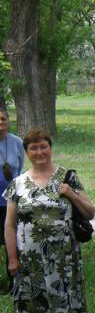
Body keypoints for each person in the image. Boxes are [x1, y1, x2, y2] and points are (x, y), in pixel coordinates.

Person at [3, 129, 93, 313]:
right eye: (34, 148)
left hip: (65, 256)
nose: (39, 152)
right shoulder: (18, 183)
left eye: (43, 146)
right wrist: (12, 257)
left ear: (50, 148)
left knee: (67, 297)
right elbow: (9, 225)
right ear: (27, 152)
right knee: (35, 300)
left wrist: (71, 194)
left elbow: (90, 212)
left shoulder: (67, 177)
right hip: (30, 258)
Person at [0, 109, 25, 289]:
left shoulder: (17, 142)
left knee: (13, 240)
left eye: (3, 118)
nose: (0, 122)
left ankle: (14, 280)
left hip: (11, 201)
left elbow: (20, 169)